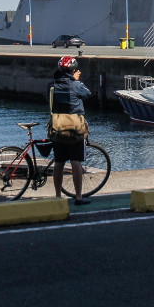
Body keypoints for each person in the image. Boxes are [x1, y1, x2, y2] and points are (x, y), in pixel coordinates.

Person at [48, 55, 92, 204]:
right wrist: (76, 80)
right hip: (74, 129)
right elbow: (87, 94)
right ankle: (78, 196)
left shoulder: (52, 85)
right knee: (76, 161)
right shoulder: (76, 85)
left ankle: (57, 196)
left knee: (59, 163)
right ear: (73, 70)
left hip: (58, 128)